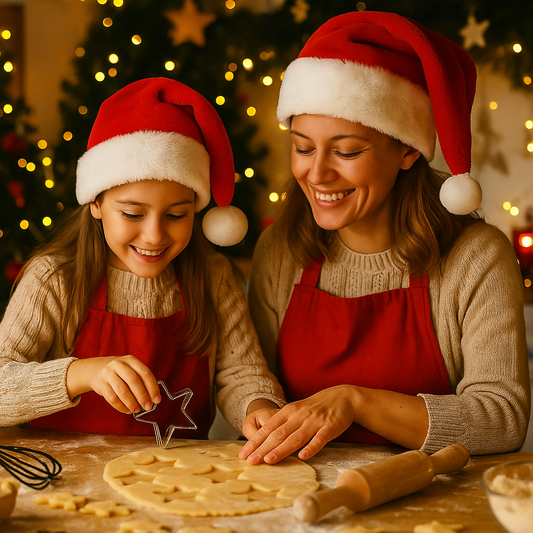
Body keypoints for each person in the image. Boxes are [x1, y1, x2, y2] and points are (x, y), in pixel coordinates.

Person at [239, 11, 531, 465]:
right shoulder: (280, 249)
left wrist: (356, 402)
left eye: (347, 151)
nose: (316, 173)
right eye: (302, 146)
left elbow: (502, 418)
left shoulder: (476, 258)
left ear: (408, 148)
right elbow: (249, 375)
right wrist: (258, 410)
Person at [0, 77, 285, 438]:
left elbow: (242, 373)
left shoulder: (214, 277)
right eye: (133, 214)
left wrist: (257, 407)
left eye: (177, 215)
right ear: (96, 203)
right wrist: (84, 374)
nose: (153, 236)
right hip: (65, 486)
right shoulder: (53, 278)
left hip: (181, 484)